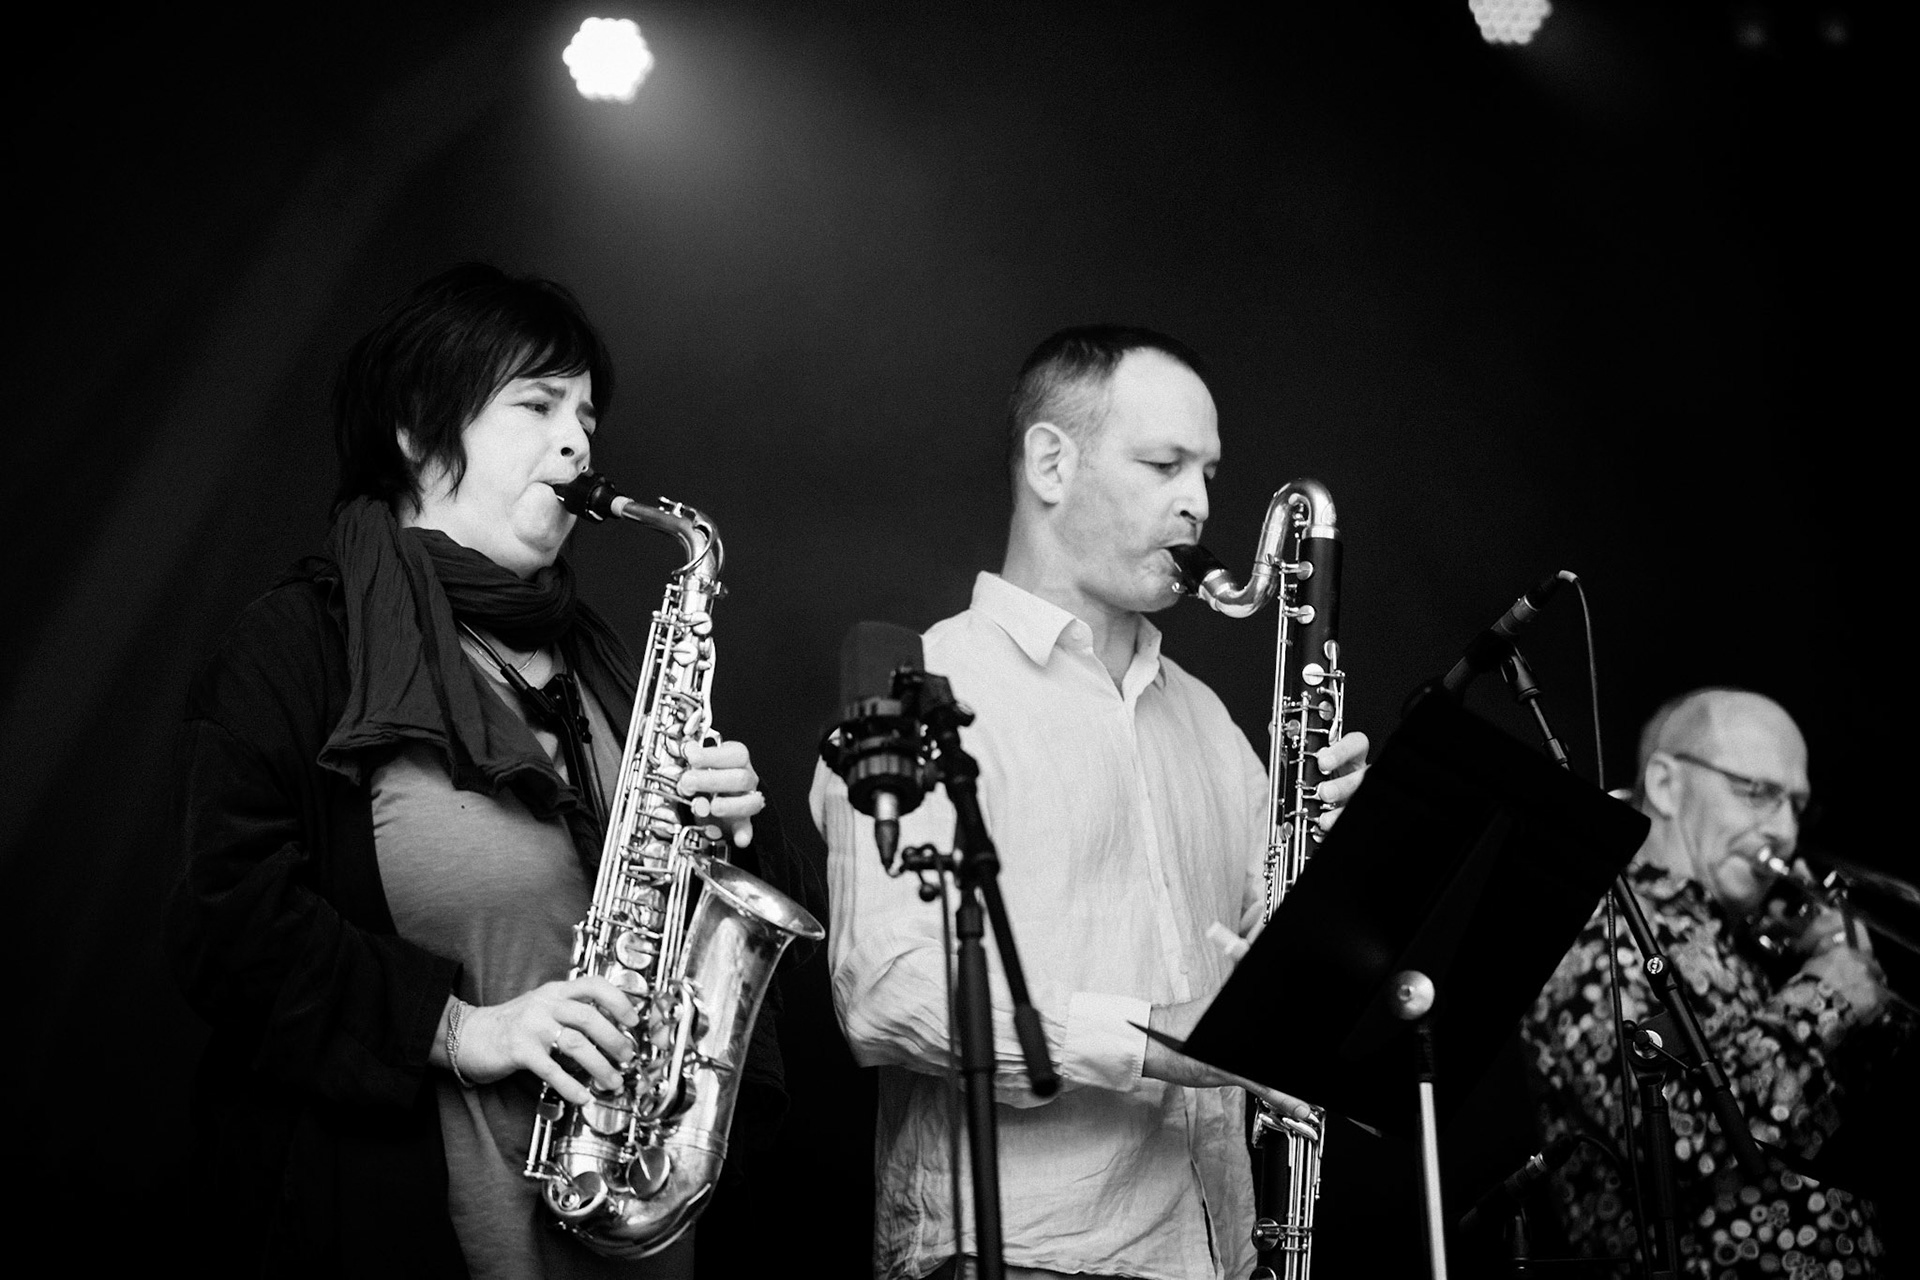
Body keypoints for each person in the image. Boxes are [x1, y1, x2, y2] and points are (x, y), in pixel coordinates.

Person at [167, 264, 783, 1278]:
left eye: (586, 412)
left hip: (628, 1229)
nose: (580, 440)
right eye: (536, 404)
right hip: (404, 1228)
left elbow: (693, 938)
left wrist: (735, 833)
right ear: (418, 427)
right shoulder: (299, 645)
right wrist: (463, 1028)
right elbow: (225, 925)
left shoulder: (598, 657)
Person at [811, 327, 1368, 1280]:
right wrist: (1156, 1038)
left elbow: (1266, 985)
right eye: (1163, 464)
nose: (1198, 503)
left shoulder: (1211, 723)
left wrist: (1339, 872)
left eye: (1209, 472)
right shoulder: (922, 684)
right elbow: (883, 990)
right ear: (1050, 462)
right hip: (1016, 1255)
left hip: (1218, 1256)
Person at [1520, 687, 1905, 1278]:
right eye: (1757, 793)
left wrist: (1849, 982)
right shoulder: (1601, 929)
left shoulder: (1752, 947)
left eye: (1796, 807)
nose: (1783, 831)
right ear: (1669, 785)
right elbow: (1674, 1141)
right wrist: (1826, 994)